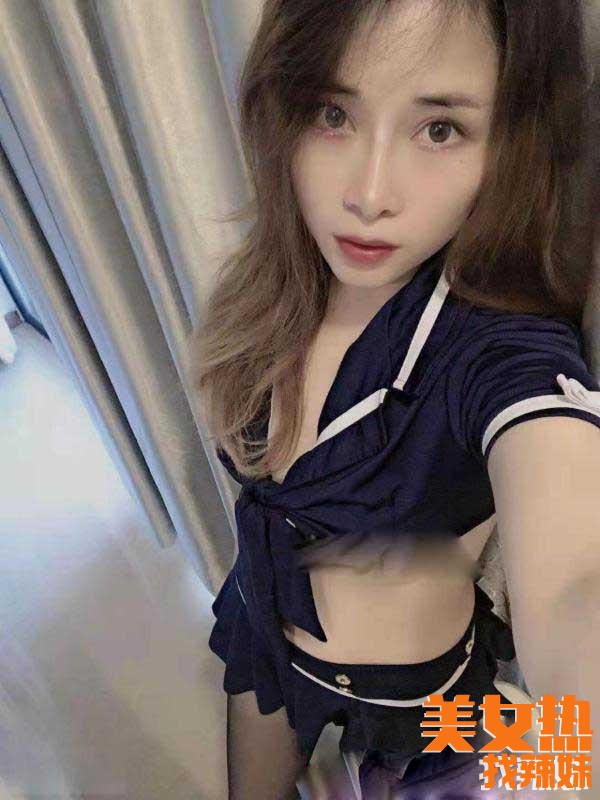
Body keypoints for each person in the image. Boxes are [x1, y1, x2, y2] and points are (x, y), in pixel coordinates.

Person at [188, 1, 600, 797]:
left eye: (440, 129)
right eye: (333, 113)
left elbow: (575, 576)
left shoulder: (497, 348)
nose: (370, 194)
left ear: (510, 143)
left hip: (407, 688)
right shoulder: (282, 275)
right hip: (262, 614)